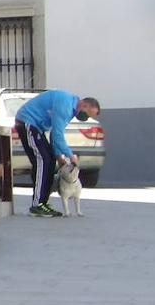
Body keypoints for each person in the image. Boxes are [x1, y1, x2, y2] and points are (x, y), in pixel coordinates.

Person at [14, 89, 100, 218]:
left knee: (50, 160)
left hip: (36, 127)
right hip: (28, 122)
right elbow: (58, 135)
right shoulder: (65, 105)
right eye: (88, 114)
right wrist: (71, 156)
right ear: (84, 105)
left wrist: (59, 156)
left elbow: (54, 134)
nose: (86, 118)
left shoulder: (71, 109)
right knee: (42, 160)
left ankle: (43, 203)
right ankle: (37, 205)